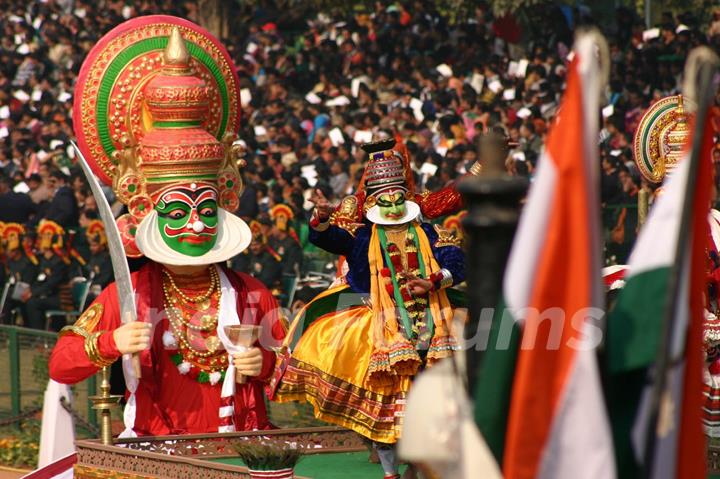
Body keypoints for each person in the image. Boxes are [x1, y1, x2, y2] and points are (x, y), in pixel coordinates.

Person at [48, 22, 285, 436]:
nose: (195, 224)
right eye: (177, 212)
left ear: (225, 200)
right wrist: (111, 343)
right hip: (158, 451)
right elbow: (61, 364)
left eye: (205, 208)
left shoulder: (253, 294)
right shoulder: (129, 297)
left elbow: (302, 377)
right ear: (145, 208)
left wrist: (266, 366)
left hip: (238, 452)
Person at [275, 139, 465, 479]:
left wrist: (435, 280)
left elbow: (456, 261)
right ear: (372, 201)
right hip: (373, 321)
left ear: (407, 197)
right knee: (379, 399)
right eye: (385, 199)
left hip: (432, 317)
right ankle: (391, 470)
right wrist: (318, 222)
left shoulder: (427, 230)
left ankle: (424, 464)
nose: (392, 207)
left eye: (398, 198)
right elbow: (330, 239)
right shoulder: (363, 236)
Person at [22, 219, 70, 330]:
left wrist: (33, 293)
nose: (38, 242)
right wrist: (30, 291)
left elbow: (51, 284)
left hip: (58, 298)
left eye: (40, 238)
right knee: (24, 300)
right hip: (44, 295)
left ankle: (39, 337)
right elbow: (38, 280)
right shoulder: (41, 260)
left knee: (32, 303)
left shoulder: (59, 262)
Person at [83, 219, 113, 305]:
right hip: (91, 288)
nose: (91, 248)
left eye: (94, 245)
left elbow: (105, 278)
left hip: (103, 290)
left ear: (102, 245)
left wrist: (93, 284)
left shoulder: (107, 258)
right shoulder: (93, 257)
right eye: (91, 245)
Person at [268, 204, 303, 277]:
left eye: (273, 227)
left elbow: (290, 267)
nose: (272, 230)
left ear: (279, 227)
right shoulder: (273, 241)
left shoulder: (292, 245)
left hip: (284, 279)